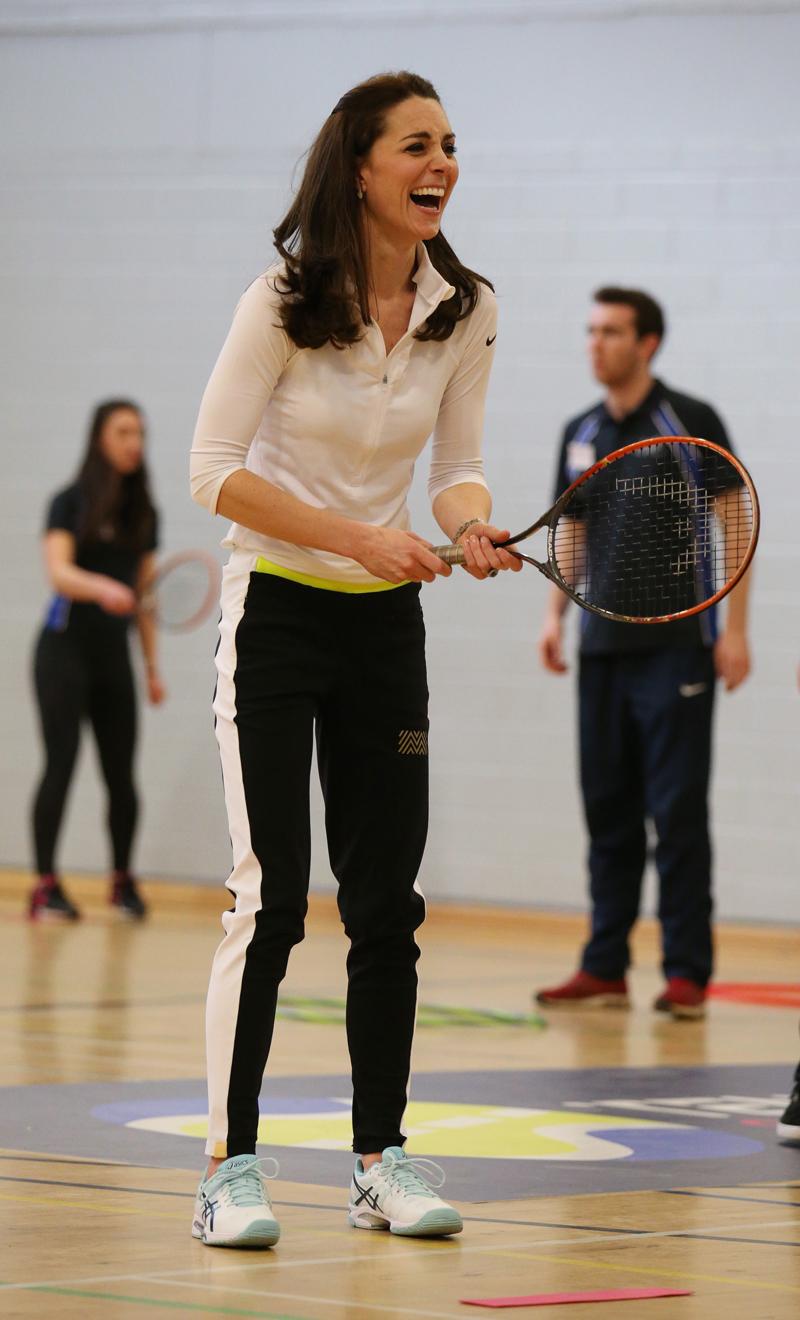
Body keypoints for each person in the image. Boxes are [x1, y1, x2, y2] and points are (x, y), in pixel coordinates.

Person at [189, 70, 520, 1248]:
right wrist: (359, 540)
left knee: (386, 907)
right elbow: (213, 470)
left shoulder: (464, 306)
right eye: (416, 146)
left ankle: (379, 1159)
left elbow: (456, 464)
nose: (442, 164)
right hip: (274, 609)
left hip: (385, 627)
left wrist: (468, 521)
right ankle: (229, 1167)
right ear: (362, 166)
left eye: (449, 146)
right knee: (269, 899)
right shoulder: (280, 300)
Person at [534, 287, 751, 1021]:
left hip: (679, 651)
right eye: (590, 330)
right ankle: (605, 967)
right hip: (602, 652)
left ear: (647, 342)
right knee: (607, 811)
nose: (596, 343)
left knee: (677, 812)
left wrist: (736, 633)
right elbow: (573, 528)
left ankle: (687, 972)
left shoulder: (689, 421)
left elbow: (734, 523)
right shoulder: (581, 429)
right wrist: (553, 617)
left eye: (612, 332)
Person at [30, 399, 164, 922]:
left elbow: (146, 600)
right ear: (99, 438)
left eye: (140, 433)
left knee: (121, 776)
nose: (134, 442)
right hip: (62, 652)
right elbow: (59, 573)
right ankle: (44, 885)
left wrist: (151, 670)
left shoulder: (144, 513)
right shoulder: (69, 502)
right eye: (123, 431)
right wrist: (106, 588)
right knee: (60, 764)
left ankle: (122, 881)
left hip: (113, 660)